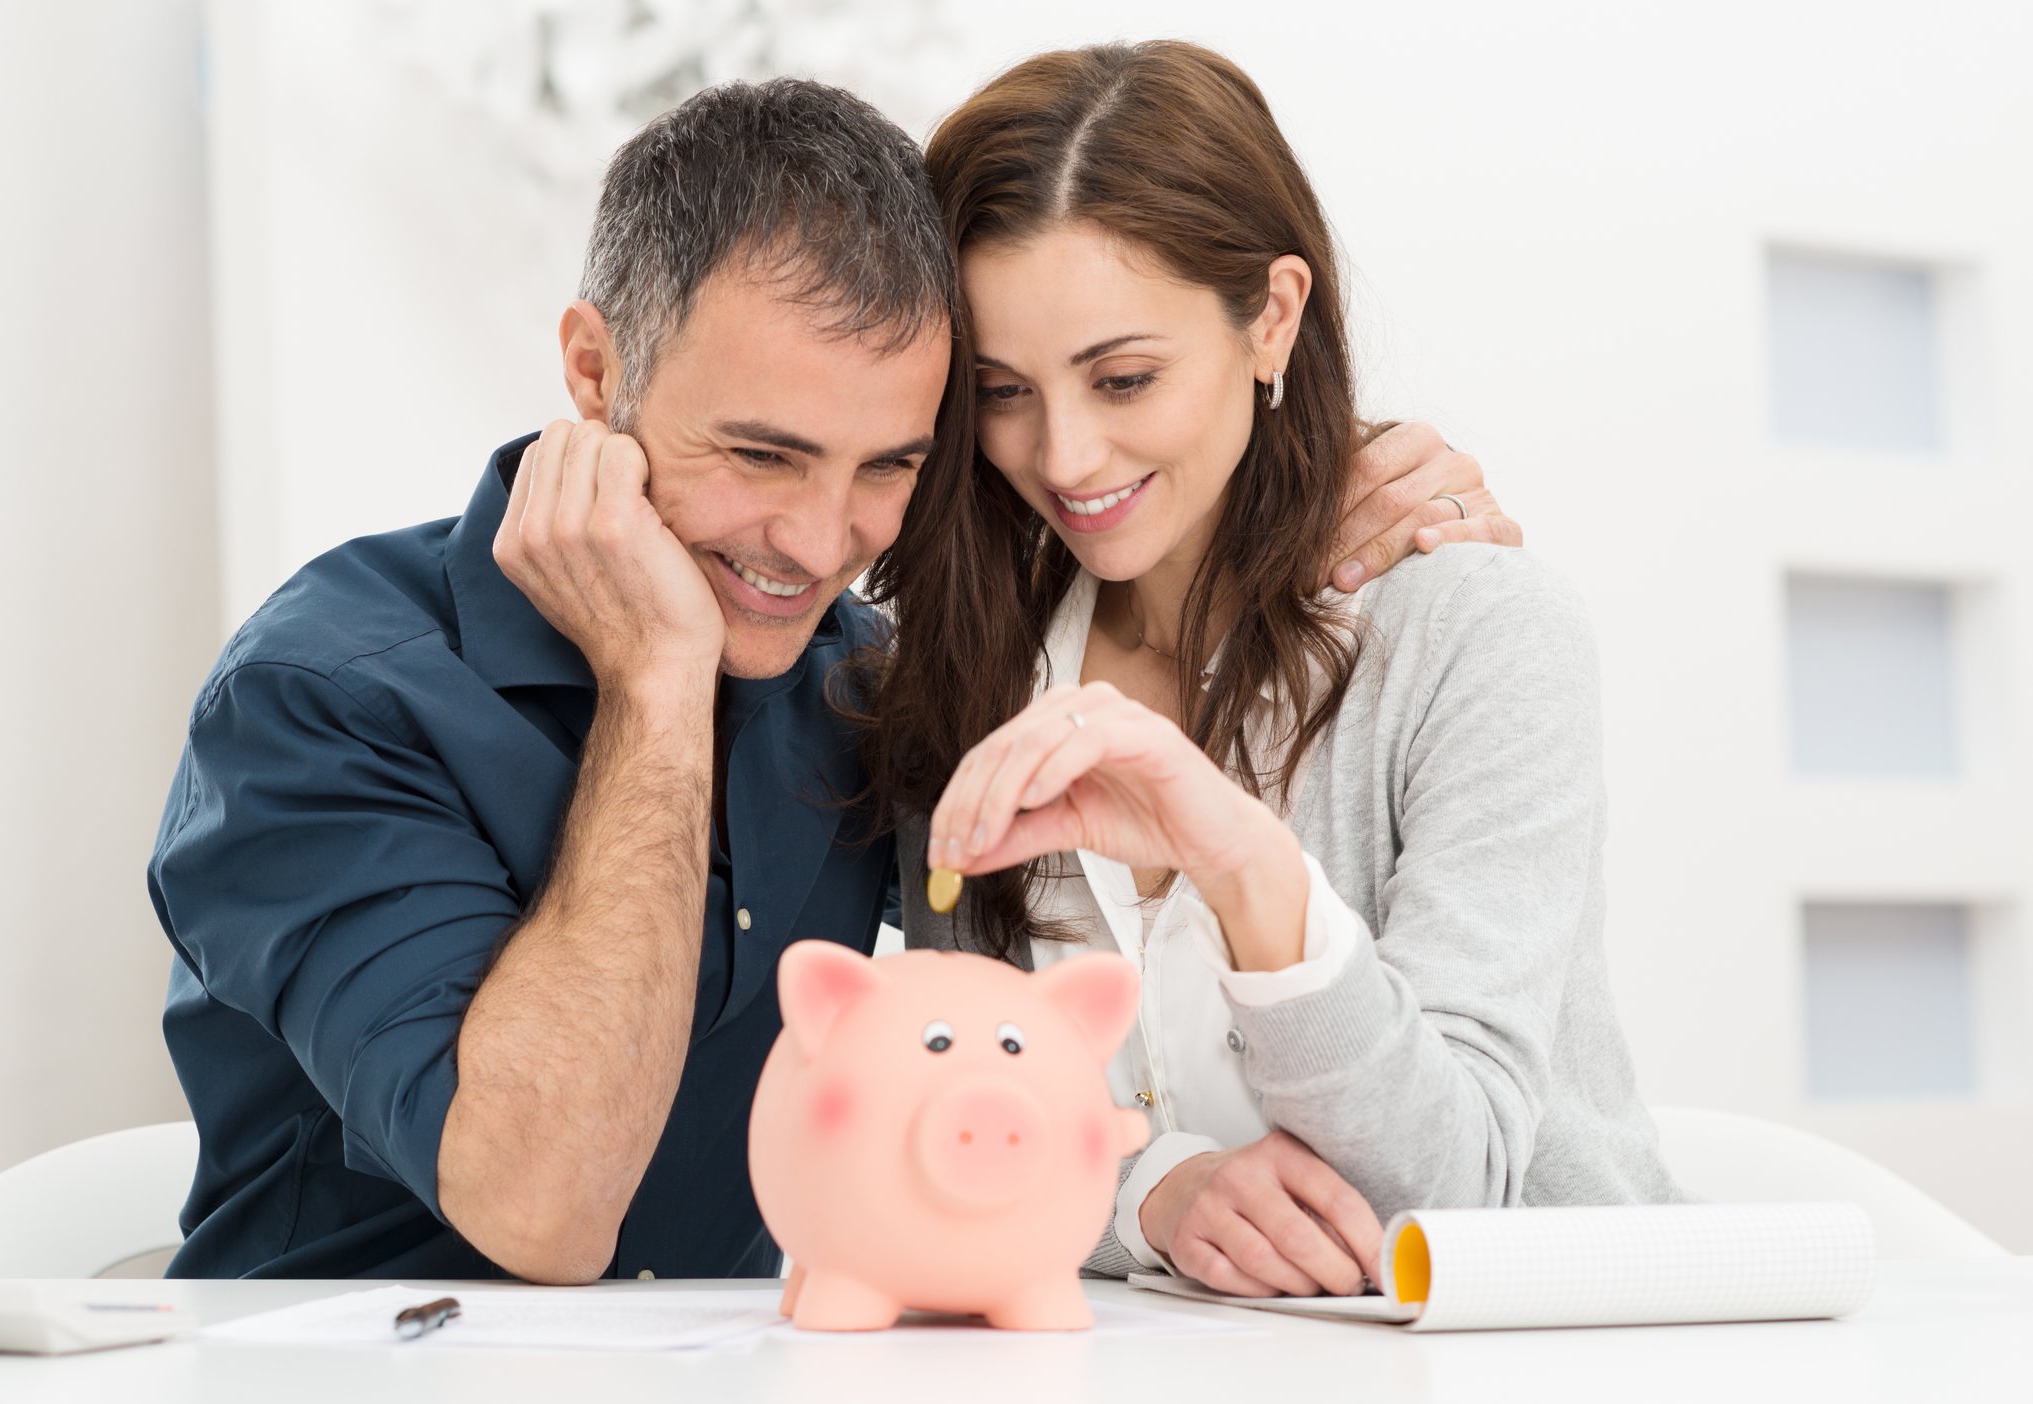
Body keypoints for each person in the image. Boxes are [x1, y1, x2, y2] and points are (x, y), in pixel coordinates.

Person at [147, 77, 1510, 1283]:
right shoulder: (324, 692)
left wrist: (1331, 485)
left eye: (891, 467)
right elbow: (542, 1209)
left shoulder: (873, 688)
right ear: (592, 368)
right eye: (758, 454)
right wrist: (659, 681)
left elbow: (981, 1085)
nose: (816, 544)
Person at [873, 40, 1679, 1301]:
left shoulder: (1476, 632)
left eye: (1124, 376)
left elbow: (1453, 1189)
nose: (1065, 454)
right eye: (1001, 391)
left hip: (1556, 1358)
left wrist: (1250, 871)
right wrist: (1151, 1190)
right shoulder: (970, 671)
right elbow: (942, 1108)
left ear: (1274, 316)